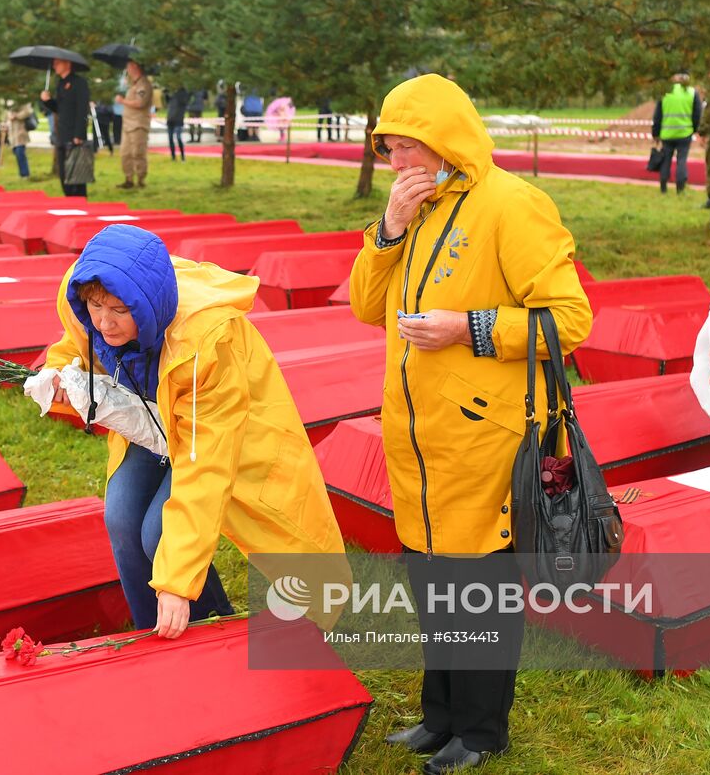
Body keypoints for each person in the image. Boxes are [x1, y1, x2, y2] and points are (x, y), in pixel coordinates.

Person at [349, 74, 591, 774]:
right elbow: (368, 306)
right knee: (431, 581)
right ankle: (440, 717)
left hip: (486, 438)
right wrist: (388, 229)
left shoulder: (511, 205)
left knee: (476, 590)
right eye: (390, 148)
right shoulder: (413, 207)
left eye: (406, 148)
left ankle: (482, 732)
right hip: (419, 439)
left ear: (444, 139)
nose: (396, 162)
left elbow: (569, 321)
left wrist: (471, 329)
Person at [39, 225, 346, 636]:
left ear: (146, 307)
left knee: (159, 533)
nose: (104, 323)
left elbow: (206, 466)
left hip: (217, 428)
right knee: (122, 519)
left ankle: (205, 635)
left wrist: (177, 582)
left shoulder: (205, 345)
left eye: (118, 311)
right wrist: (57, 375)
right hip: (150, 423)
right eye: (96, 307)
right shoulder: (82, 293)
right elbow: (78, 344)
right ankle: (157, 636)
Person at [41, 57, 91, 196]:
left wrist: (79, 134)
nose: (54, 66)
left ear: (67, 64)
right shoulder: (61, 84)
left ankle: (80, 201)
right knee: (64, 173)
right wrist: (48, 101)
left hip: (74, 134)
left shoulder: (79, 83)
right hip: (62, 134)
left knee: (76, 173)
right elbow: (60, 109)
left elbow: (82, 109)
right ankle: (69, 199)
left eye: (57, 63)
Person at [651, 70, 703, 194]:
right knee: (681, 161)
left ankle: (663, 187)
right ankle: (680, 189)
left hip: (667, 134)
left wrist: (655, 133)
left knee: (666, 160)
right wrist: (695, 129)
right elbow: (697, 114)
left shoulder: (665, 93)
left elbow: (657, 115)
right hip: (685, 133)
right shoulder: (691, 92)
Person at [115, 59, 153, 188]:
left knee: (138, 153)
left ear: (135, 66)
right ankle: (128, 179)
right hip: (127, 124)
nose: (127, 70)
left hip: (138, 124)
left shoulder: (144, 84)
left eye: (128, 67)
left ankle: (141, 180)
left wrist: (123, 101)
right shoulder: (132, 85)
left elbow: (140, 103)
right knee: (125, 153)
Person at [3, 99, 35, 178]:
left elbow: (28, 111)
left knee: (19, 151)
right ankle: (22, 173)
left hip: (21, 129)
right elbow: (7, 113)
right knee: (16, 151)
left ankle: (25, 173)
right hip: (12, 130)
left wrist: (16, 115)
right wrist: (6, 121)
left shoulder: (22, 98)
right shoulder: (9, 99)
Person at [166, 87, 188, 161]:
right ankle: (173, 156)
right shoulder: (172, 96)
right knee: (171, 139)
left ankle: (182, 156)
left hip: (178, 119)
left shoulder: (182, 95)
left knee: (178, 138)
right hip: (171, 119)